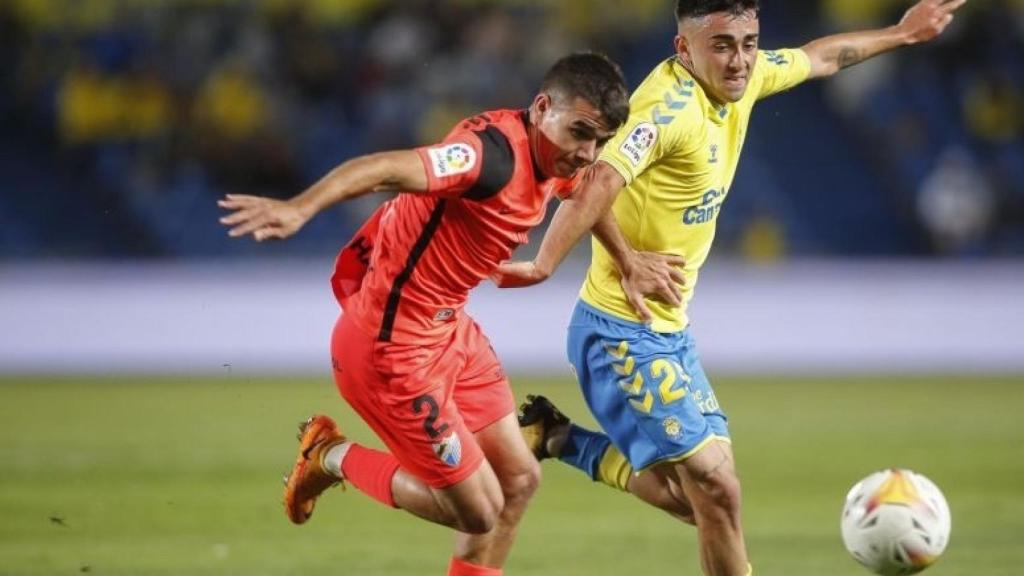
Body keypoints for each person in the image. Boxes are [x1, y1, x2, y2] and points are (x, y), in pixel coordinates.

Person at [491, 2, 967, 575]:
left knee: (700, 502)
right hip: (620, 330)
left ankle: (558, 438)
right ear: (683, 49)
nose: (740, 59)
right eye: (722, 45)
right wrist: (557, 263)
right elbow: (596, 180)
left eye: (749, 42)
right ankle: (561, 440)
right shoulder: (664, 111)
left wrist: (902, 33)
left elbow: (822, 57)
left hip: (668, 329)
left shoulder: (745, 76)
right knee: (718, 491)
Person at [218, 52, 629, 576]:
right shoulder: (486, 157)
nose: (587, 153)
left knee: (520, 480)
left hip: (450, 330)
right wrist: (302, 206)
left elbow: (587, 193)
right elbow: (385, 168)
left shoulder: (557, 155)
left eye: (600, 142)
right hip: (391, 353)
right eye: (580, 133)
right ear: (543, 107)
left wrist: (628, 260)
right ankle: (329, 454)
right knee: (481, 511)